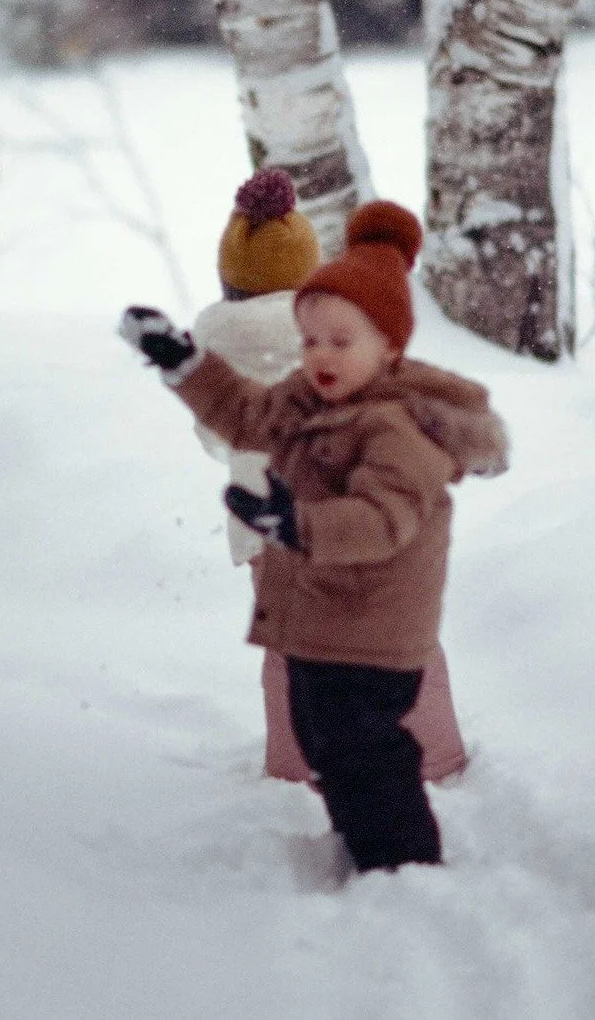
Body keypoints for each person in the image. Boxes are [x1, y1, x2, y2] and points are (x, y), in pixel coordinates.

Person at [121, 200, 508, 873]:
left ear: (387, 345)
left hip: (376, 623)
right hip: (327, 615)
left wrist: (294, 525)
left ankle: (403, 866)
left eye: (341, 340)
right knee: (326, 737)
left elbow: (381, 519)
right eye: (311, 339)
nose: (320, 355)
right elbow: (243, 412)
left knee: (365, 749)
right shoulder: (307, 400)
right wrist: (183, 363)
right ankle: (364, 839)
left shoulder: (395, 425)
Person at [194, 171, 470, 786]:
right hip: (356, 515)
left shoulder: (215, 345)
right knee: (396, 638)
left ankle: (296, 766)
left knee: (292, 651)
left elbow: (217, 437)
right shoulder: (338, 332)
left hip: (272, 529)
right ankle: (435, 753)